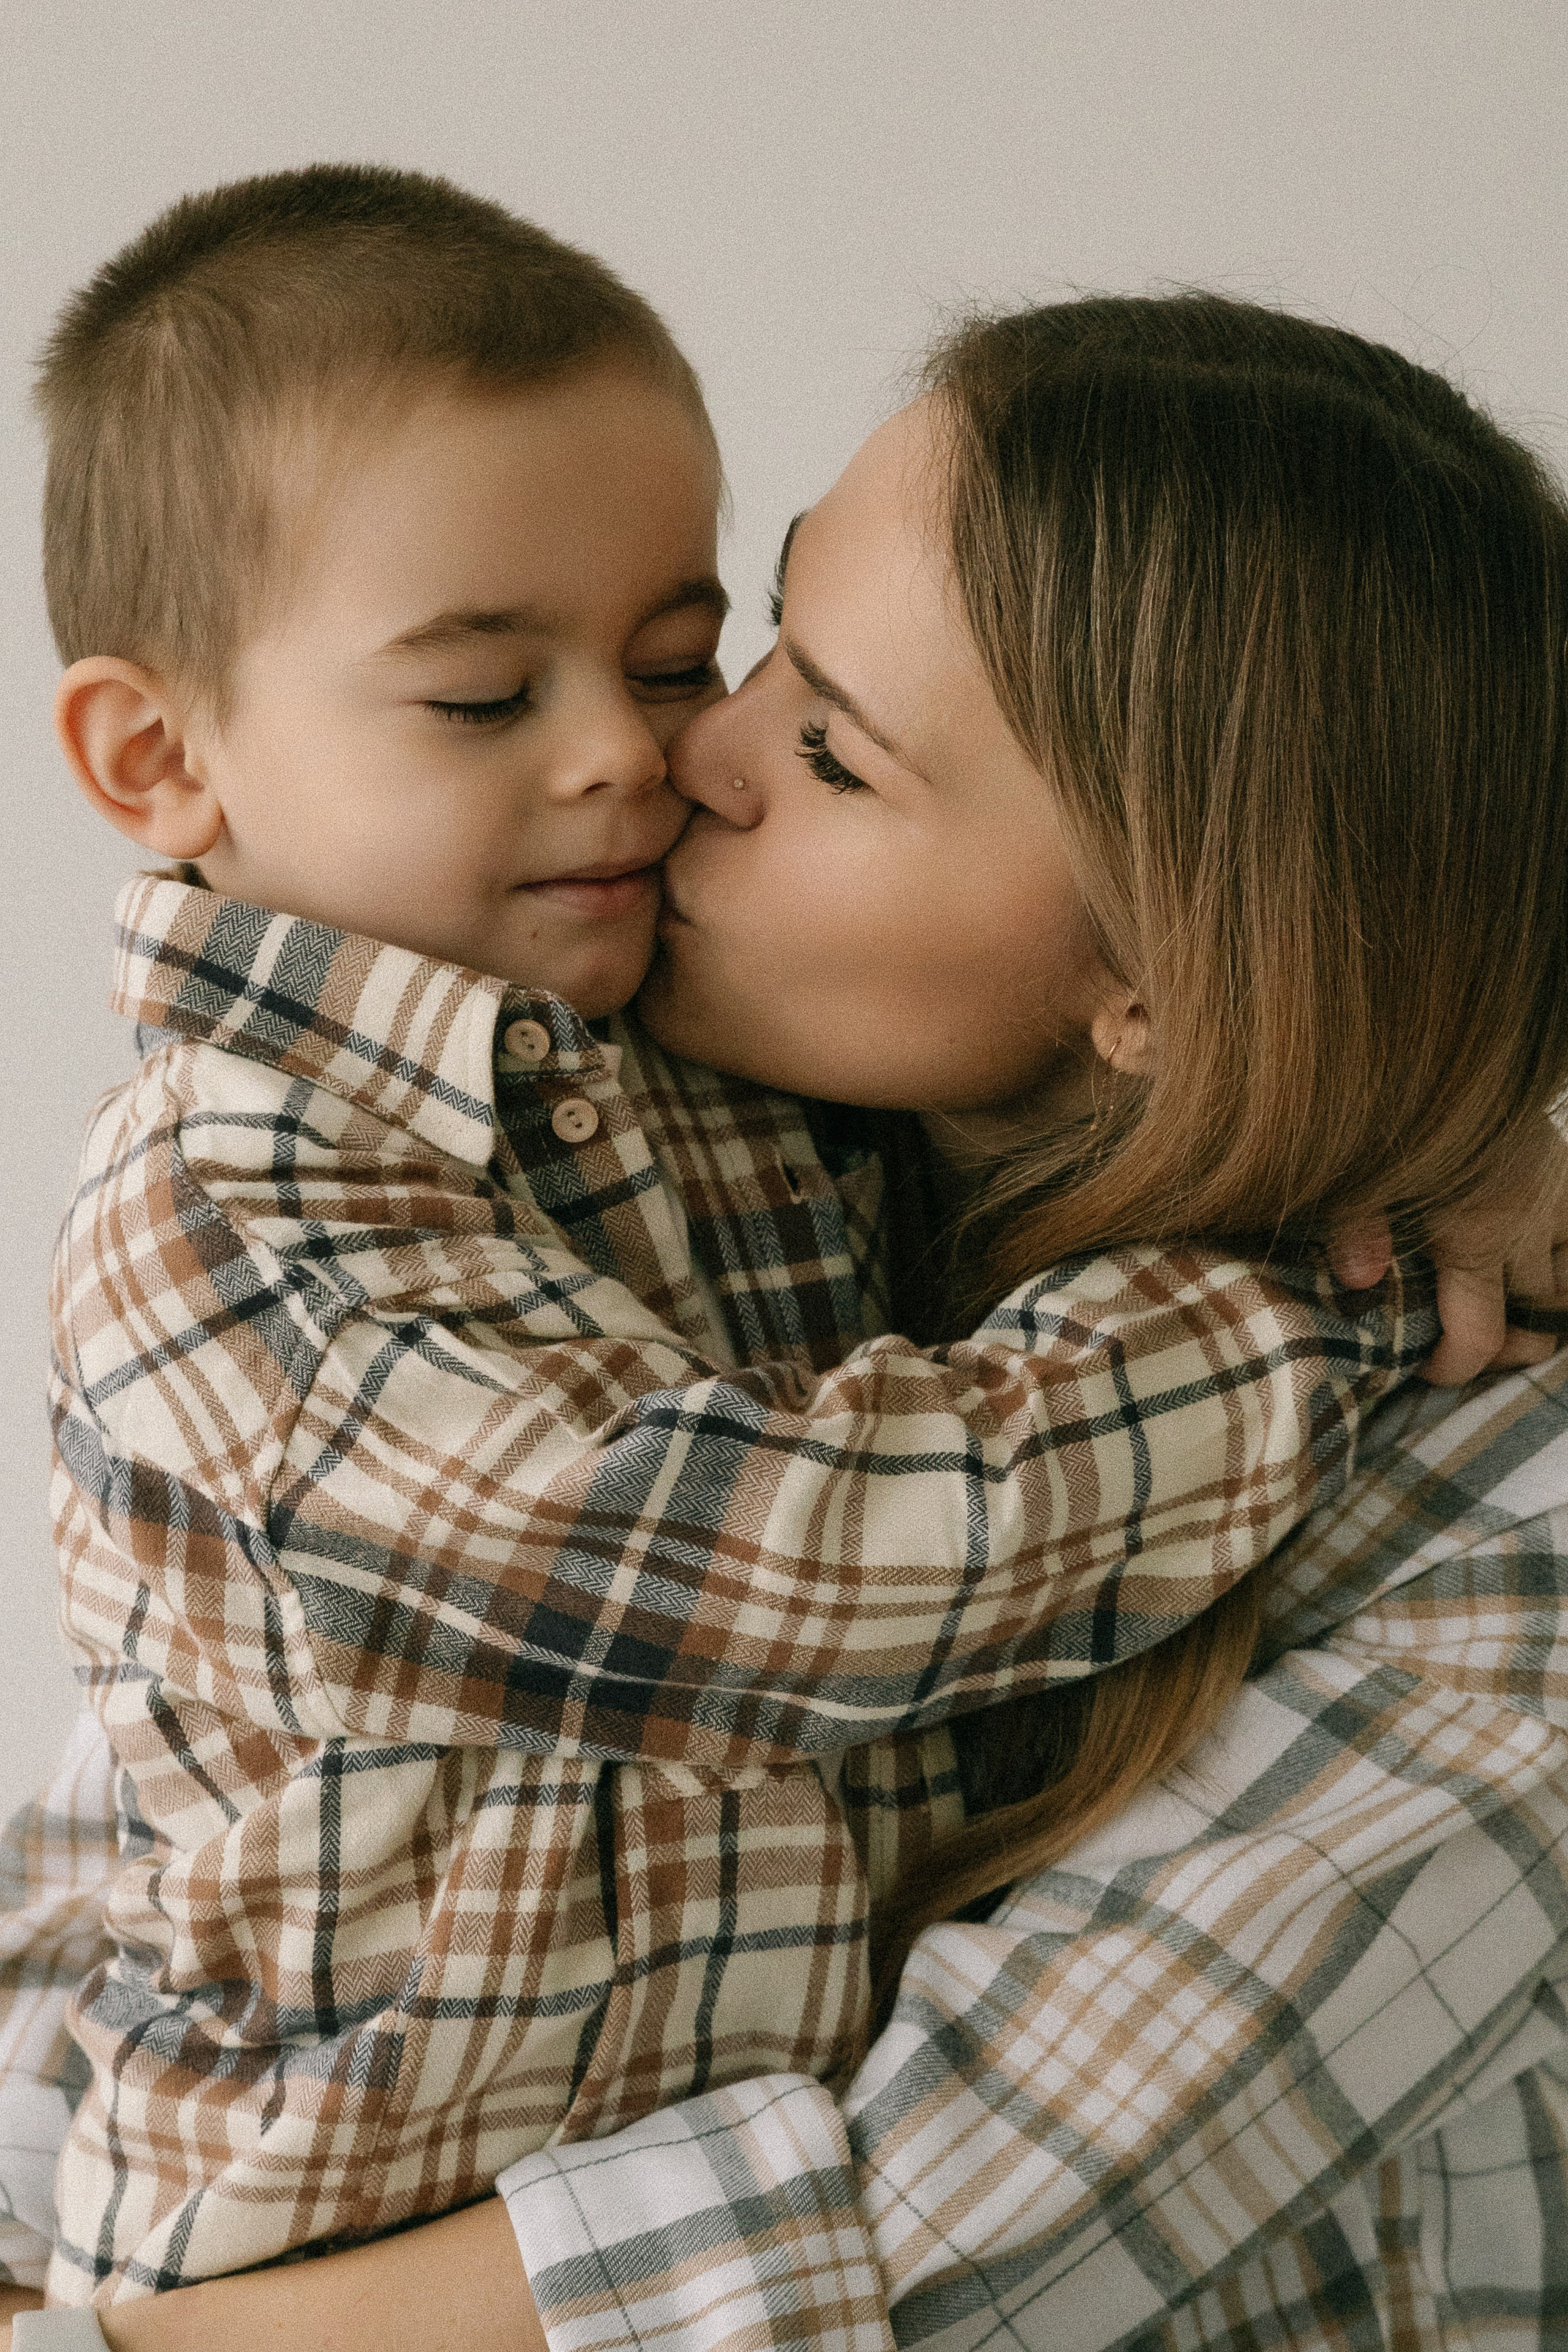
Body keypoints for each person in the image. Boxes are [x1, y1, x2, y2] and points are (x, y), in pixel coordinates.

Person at [7, 274, 1568, 2346]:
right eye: (751, 647)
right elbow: (164, 1824)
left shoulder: (1498, 1482)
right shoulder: (525, 1167)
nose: (677, 760)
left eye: (822, 744)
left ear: (1167, 985)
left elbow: (942, 2227)